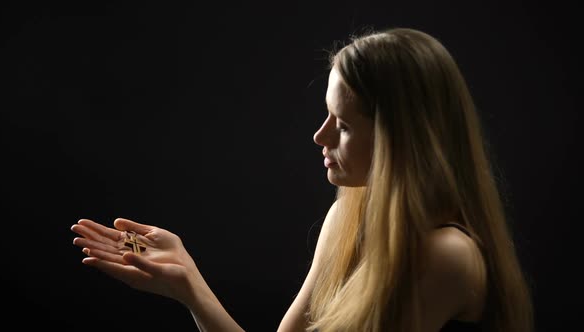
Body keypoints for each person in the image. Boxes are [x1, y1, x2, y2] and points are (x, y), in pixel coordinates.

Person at [71, 27, 534, 332]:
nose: (320, 136)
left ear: (404, 139)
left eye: (345, 125)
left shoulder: (446, 255)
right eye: (327, 115)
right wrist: (187, 283)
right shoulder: (346, 220)